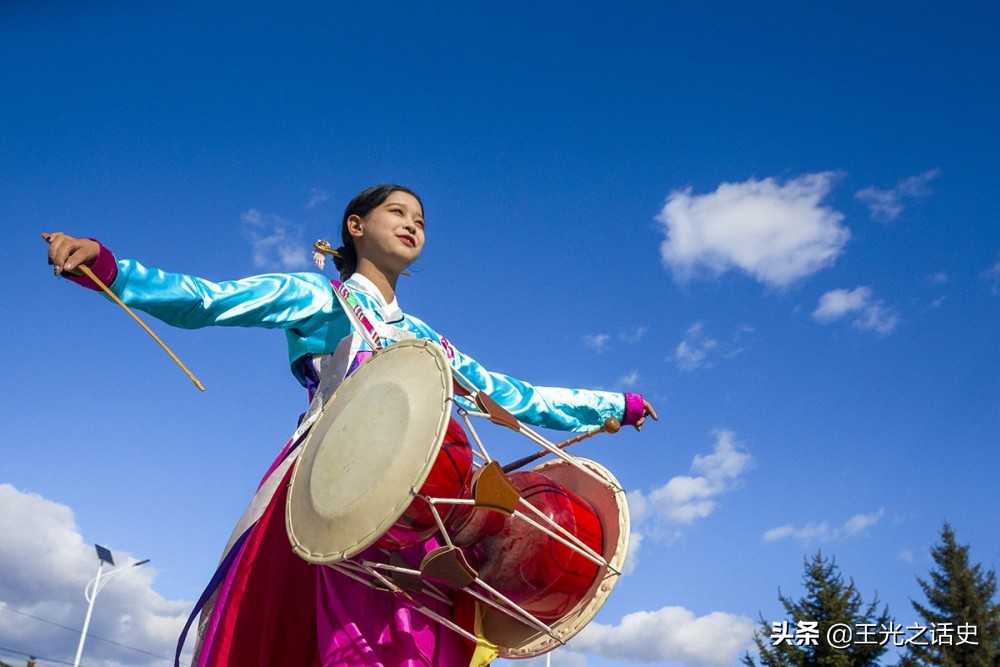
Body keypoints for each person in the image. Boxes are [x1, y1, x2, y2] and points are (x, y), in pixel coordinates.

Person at [46, 185, 657, 667]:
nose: (413, 223)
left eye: (421, 217)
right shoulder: (320, 299)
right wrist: (107, 266)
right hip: (324, 496)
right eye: (397, 211)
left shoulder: (428, 343)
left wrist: (610, 406)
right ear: (355, 227)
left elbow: (511, 396)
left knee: (411, 648)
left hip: (419, 515)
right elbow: (207, 299)